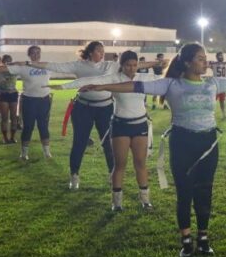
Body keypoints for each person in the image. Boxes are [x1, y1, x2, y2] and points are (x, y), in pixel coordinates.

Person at [77, 43, 226, 257]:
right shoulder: (171, 84)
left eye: (205, 58)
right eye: (200, 58)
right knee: (184, 194)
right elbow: (134, 86)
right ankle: (186, 242)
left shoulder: (213, 83)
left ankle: (203, 239)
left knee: (204, 192)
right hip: (182, 143)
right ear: (186, 62)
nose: (205, 61)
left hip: (208, 144)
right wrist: (102, 87)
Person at [28, 41, 159, 190]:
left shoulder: (110, 66)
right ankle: (74, 175)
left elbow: (134, 66)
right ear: (90, 52)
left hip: (106, 108)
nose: (102, 53)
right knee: (80, 142)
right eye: (98, 51)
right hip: (83, 108)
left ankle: (112, 174)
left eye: (103, 51)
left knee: (109, 144)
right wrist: (31, 63)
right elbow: (56, 66)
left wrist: (158, 63)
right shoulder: (79, 65)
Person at [63, 51, 159, 211]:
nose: (132, 68)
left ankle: (145, 199)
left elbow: (166, 81)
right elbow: (91, 80)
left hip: (140, 124)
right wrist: (63, 86)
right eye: (128, 65)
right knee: (119, 164)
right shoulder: (114, 78)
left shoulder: (144, 78)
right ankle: (117, 202)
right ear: (121, 65)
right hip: (121, 125)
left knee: (140, 163)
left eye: (135, 65)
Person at [2, 46, 54, 160]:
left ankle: (47, 152)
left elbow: (66, 67)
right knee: (28, 127)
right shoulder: (23, 67)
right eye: (33, 53)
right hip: (29, 100)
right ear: (29, 55)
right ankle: (24, 153)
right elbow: (4, 68)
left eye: (38, 53)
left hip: (44, 100)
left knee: (43, 126)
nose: (36, 55)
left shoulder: (46, 66)